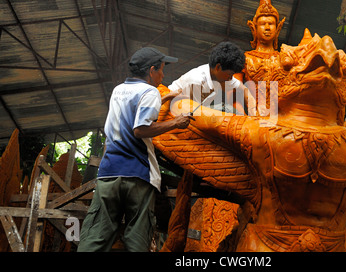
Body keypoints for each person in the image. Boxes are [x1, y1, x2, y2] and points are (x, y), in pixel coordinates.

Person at [77, 47, 193, 252]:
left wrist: (164, 99)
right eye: (161, 70)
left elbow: (134, 110)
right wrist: (177, 123)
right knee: (137, 239)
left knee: (96, 236)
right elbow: (140, 129)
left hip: (108, 174)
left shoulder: (119, 90)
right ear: (151, 70)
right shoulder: (150, 92)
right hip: (137, 175)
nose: (163, 75)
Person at [168, 41, 258, 115]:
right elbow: (196, 114)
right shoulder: (197, 81)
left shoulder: (222, 75)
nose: (231, 78)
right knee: (227, 111)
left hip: (198, 108)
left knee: (230, 111)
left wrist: (253, 111)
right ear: (218, 67)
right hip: (176, 109)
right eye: (230, 74)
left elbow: (244, 89)